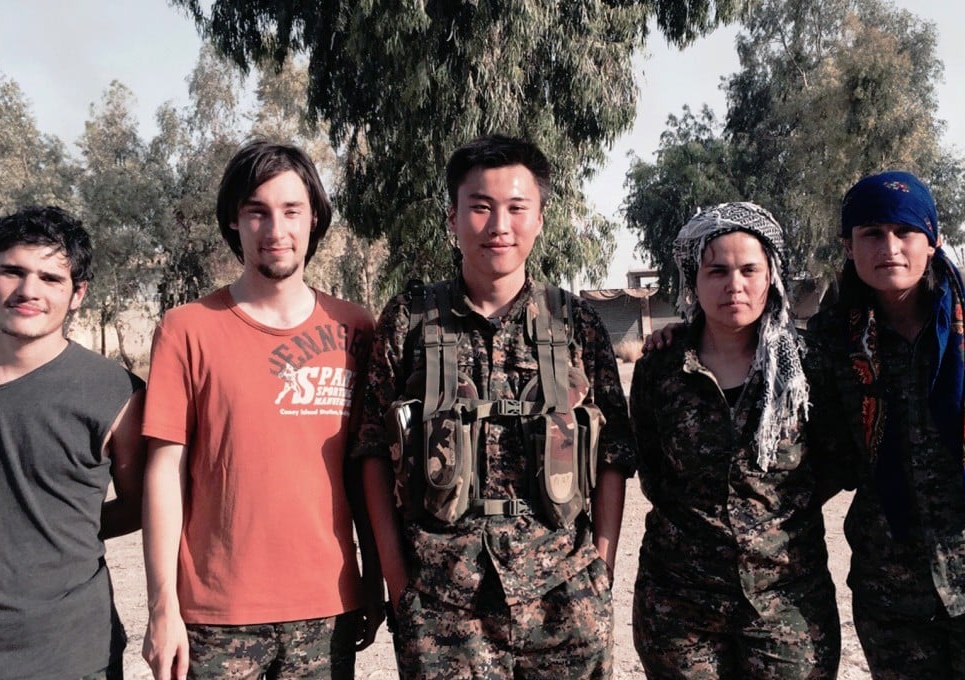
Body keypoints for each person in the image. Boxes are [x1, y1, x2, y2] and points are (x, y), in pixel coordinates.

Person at [353, 134, 636, 679]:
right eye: (479, 207)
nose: (498, 225)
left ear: (540, 220)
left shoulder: (575, 322)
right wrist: (398, 583)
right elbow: (371, 452)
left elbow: (615, 454)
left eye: (515, 208)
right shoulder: (410, 321)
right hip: (440, 608)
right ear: (453, 218)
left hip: (565, 599)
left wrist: (601, 568)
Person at [141, 140, 381, 680]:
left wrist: (373, 577)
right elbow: (164, 473)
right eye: (257, 211)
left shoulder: (356, 329)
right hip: (216, 617)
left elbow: (365, 468)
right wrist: (162, 607)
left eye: (292, 210)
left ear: (314, 217)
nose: (276, 229)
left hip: (326, 609)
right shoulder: (186, 329)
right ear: (234, 220)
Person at [806, 171, 965, 678]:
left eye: (905, 232)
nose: (890, 248)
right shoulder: (831, 343)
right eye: (871, 234)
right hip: (891, 594)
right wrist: (683, 333)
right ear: (850, 247)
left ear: (934, 240)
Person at [630, 203, 842, 678]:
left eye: (750, 269)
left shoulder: (810, 368)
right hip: (679, 607)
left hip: (785, 606)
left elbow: (834, 465)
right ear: (694, 280)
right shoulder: (660, 369)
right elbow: (652, 471)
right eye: (717, 271)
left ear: (772, 276)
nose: (735, 285)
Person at [0, 206, 146, 679]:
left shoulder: (117, 395)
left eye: (50, 278)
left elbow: (143, 505)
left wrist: (63, 528)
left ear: (78, 294)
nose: (28, 291)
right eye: (11, 271)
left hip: (71, 653)